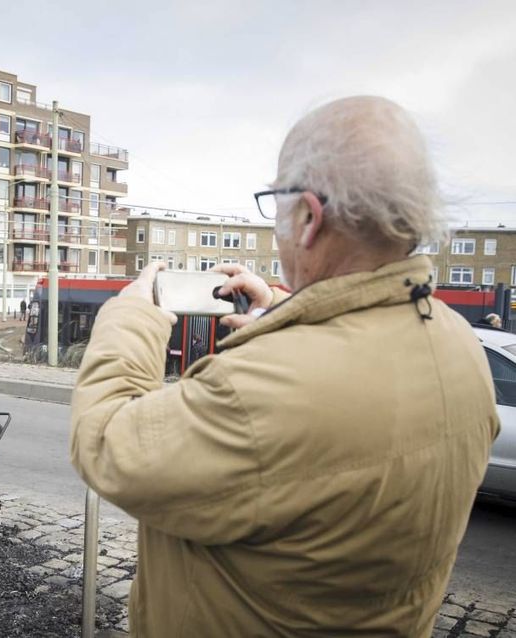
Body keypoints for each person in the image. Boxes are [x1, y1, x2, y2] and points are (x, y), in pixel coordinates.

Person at [70, 96, 499, 637]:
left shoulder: (259, 394)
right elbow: (353, 375)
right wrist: (282, 315)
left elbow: (106, 442)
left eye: (276, 205)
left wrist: (130, 315)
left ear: (309, 217)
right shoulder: (459, 343)